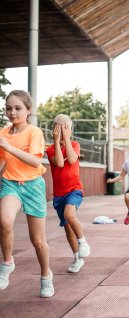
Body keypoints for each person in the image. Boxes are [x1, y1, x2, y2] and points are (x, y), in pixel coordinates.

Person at [0, 90, 54, 297]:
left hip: (33, 186)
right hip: (11, 184)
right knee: (4, 221)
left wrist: (9, 147)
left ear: (28, 110)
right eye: (8, 108)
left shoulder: (34, 132)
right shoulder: (2, 134)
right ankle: (7, 262)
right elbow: (1, 164)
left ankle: (45, 275)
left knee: (38, 241)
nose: (12, 112)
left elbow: (35, 161)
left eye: (17, 108)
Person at [45, 114, 90, 273]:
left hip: (74, 190)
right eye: (59, 128)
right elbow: (58, 162)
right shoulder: (50, 148)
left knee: (70, 215)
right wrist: (57, 141)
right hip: (59, 194)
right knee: (67, 228)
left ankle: (83, 241)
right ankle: (77, 257)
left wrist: (67, 139)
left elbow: (71, 159)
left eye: (66, 128)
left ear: (70, 131)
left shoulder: (75, 145)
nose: (63, 131)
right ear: (54, 130)